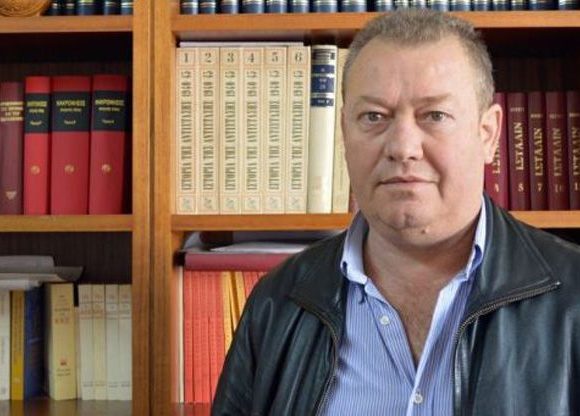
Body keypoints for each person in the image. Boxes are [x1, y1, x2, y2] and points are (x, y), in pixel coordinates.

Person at [212, 9, 580, 416]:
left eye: (435, 116)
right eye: (374, 117)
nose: (403, 147)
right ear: (345, 133)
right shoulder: (277, 304)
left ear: (488, 134)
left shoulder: (574, 297)